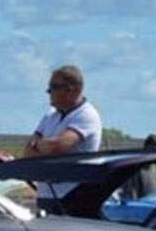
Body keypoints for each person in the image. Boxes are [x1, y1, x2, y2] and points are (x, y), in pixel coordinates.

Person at [22, 65, 101, 212]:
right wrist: (42, 145)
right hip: (46, 194)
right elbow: (27, 151)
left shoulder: (85, 115)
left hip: (72, 196)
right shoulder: (50, 115)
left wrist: (39, 144)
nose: (48, 92)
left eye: (53, 87)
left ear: (71, 90)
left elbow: (57, 147)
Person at [121, 133, 156, 200]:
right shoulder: (135, 168)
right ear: (146, 148)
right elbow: (130, 194)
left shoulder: (153, 167)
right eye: (153, 150)